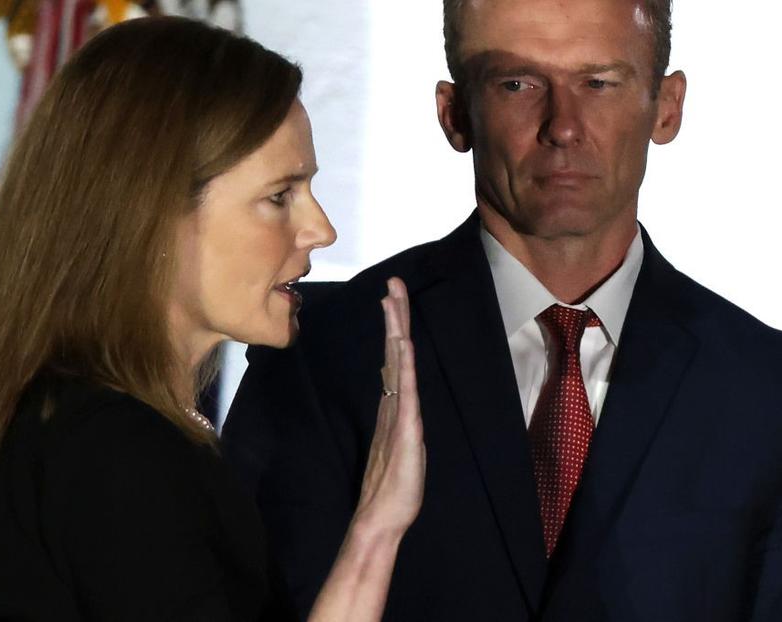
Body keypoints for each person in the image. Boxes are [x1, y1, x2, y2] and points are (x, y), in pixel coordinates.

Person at [222, 0, 782, 620]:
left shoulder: (763, 388)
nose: (563, 126)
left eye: (598, 83)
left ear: (667, 106)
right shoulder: (324, 355)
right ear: (455, 114)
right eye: (518, 84)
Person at [0, 16, 425, 621]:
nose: (320, 230)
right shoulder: (119, 455)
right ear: (154, 216)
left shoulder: (101, 428)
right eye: (280, 196)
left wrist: (377, 524)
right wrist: (375, 535)